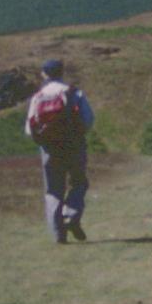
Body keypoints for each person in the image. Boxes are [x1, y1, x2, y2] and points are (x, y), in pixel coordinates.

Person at [24, 57, 94, 243]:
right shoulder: (73, 93)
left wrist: (45, 139)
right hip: (73, 144)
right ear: (62, 72)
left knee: (53, 190)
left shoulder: (38, 97)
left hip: (49, 148)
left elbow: (29, 129)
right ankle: (71, 215)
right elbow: (88, 120)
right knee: (79, 182)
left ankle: (58, 233)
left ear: (44, 74)